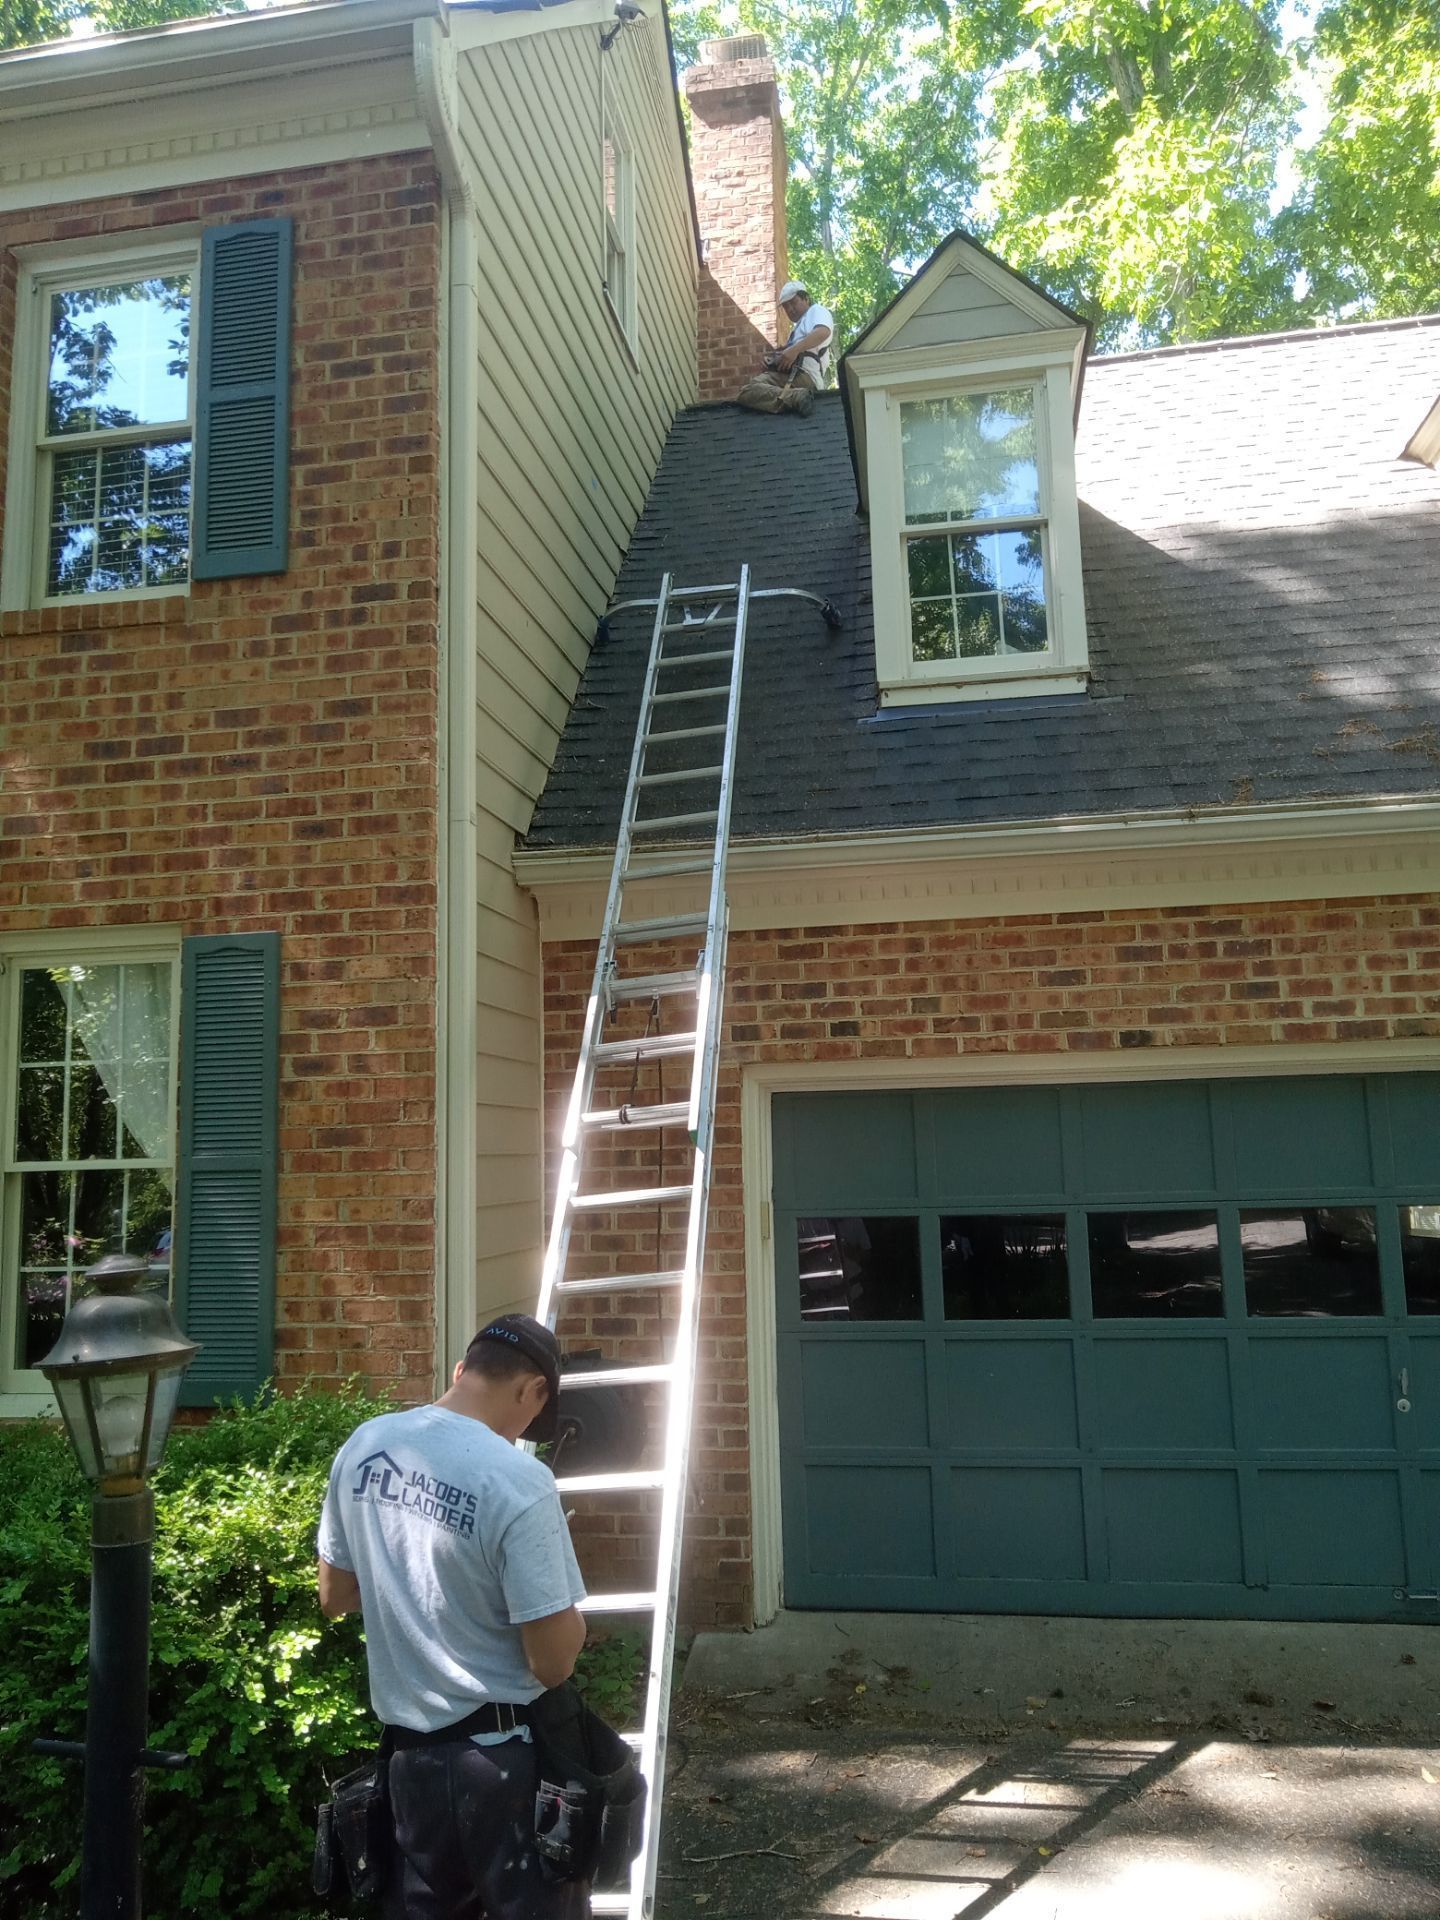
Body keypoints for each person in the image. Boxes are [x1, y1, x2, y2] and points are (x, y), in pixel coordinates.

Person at [318, 1314, 589, 1920]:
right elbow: (552, 1662)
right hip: (505, 1766)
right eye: (532, 1417)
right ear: (532, 1392)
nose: (525, 1432)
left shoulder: (365, 1445)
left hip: (409, 1766)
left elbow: (335, 1595)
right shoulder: (520, 1480)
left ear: (463, 1370)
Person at [736, 279, 835, 417]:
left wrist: (794, 350)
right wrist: (774, 361)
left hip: (805, 376)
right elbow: (790, 354)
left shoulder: (816, 311)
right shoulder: (796, 331)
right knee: (748, 392)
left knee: (749, 391)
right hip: (793, 377)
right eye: (785, 307)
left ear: (806, 298)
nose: (790, 309)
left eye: (793, 303)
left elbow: (823, 332)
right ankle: (795, 397)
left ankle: (795, 397)